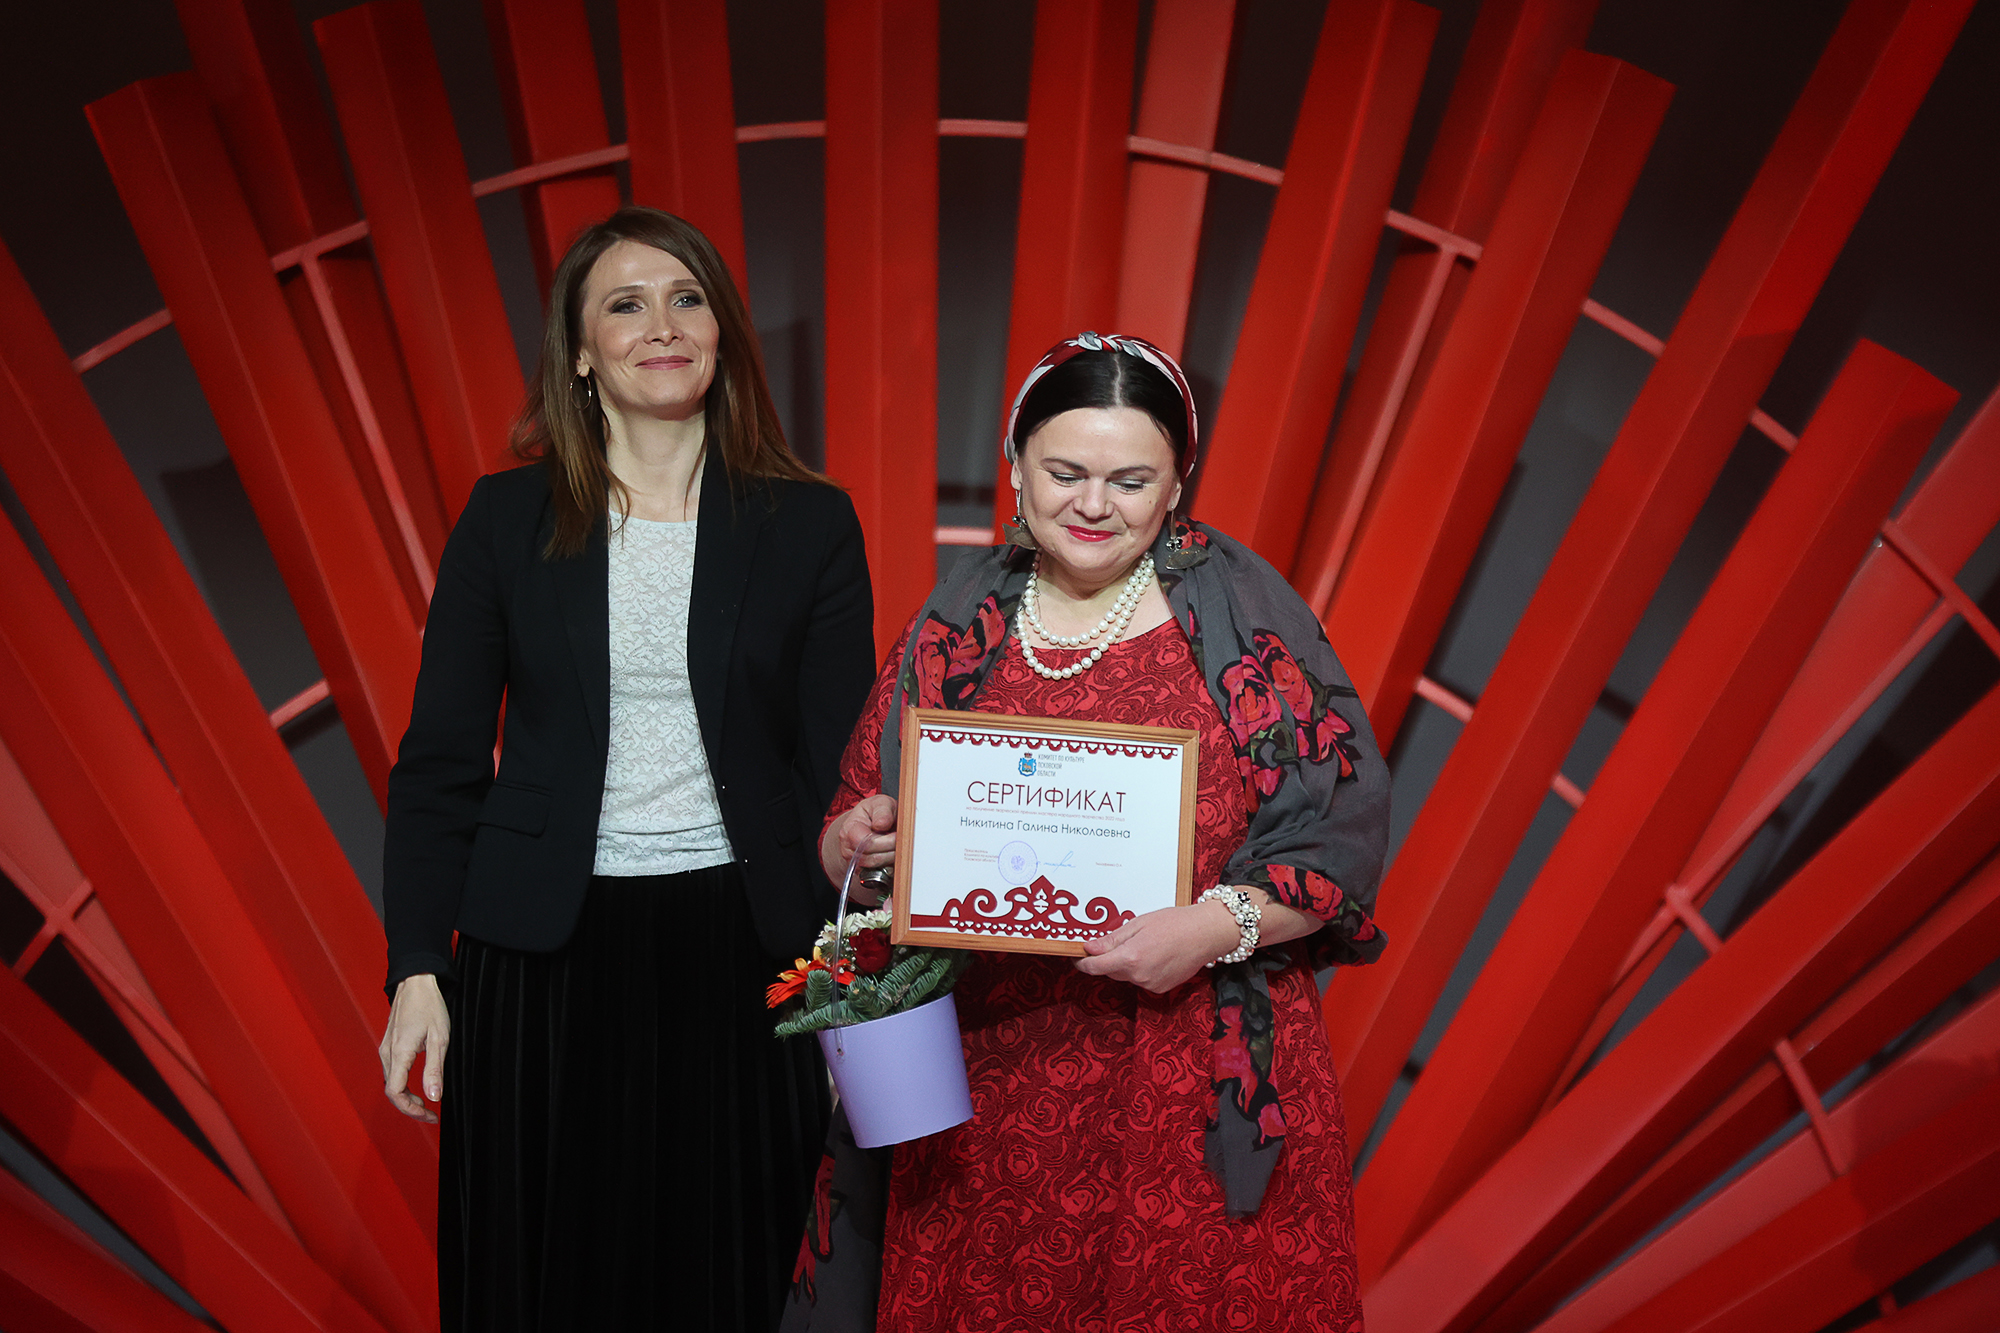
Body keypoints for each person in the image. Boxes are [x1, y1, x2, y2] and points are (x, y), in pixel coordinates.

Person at [804, 333, 1389, 1330]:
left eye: (1129, 480)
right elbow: (850, 831)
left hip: (1182, 1069)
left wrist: (1205, 930)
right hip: (982, 1076)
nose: (1092, 504)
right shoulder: (957, 621)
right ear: (1015, 466)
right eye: (1065, 471)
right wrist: (857, 843)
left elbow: (1334, 846)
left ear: (1176, 486)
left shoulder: (1248, 625)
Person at [376, 206, 876, 1332]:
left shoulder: (808, 524)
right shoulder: (505, 519)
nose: (663, 325)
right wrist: (417, 968)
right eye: (626, 304)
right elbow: (440, 763)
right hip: (540, 962)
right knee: (547, 1285)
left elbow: (839, 768)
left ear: (721, 332)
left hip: (745, 954)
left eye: (687, 298)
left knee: (732, 1279)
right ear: (580, 351)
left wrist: (855, 963)